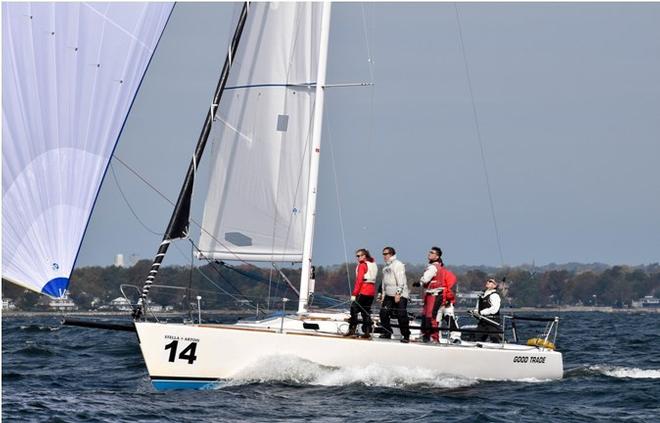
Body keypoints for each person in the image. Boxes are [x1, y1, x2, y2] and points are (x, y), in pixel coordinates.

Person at [413, 247, 460, 343]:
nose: (429, 254)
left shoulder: (435, 268)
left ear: (438, 258)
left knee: (438, 317)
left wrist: (448, 300)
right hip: (437, 296)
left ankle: (444, 337)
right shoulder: (441, 271)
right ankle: (428, 336)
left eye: (431, 252)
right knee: (430, 317)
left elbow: (450, 288)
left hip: (440, 297)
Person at [377, 247, 411, 343]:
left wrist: (398, 294)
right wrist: (382, 294)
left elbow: (401, 281)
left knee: (401, 315)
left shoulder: (398, 265)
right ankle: (387, 332)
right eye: (383, 254)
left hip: (399, 295)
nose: (384, 256)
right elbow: (384, 282)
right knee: (383, 313)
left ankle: (406, 335)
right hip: (388, 294)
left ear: (391, 254)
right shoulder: (385, 267)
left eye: (385, 254)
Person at [346, 248, 377, 338]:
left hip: (363, 290)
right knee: (365, 311)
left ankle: (352, 329)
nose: (358, 258)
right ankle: (367, 331)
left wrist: (354, 294)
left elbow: (359, 281)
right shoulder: (373, 264)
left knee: (353, 308)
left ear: (364, 256)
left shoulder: (362, 265)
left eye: (359, 256)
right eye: (357, 256)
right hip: (371, 292)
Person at [473, 278, 502, 343]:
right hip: (482, 322)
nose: (488, 282)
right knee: (477, 339)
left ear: (495, 285)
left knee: (495, 339)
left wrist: (481, 312)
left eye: (490, 281)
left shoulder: (495, 295)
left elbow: (495, 309)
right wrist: (475, 313)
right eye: (488, 281)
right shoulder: (482, 296)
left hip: (492, 322)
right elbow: (478, 308)